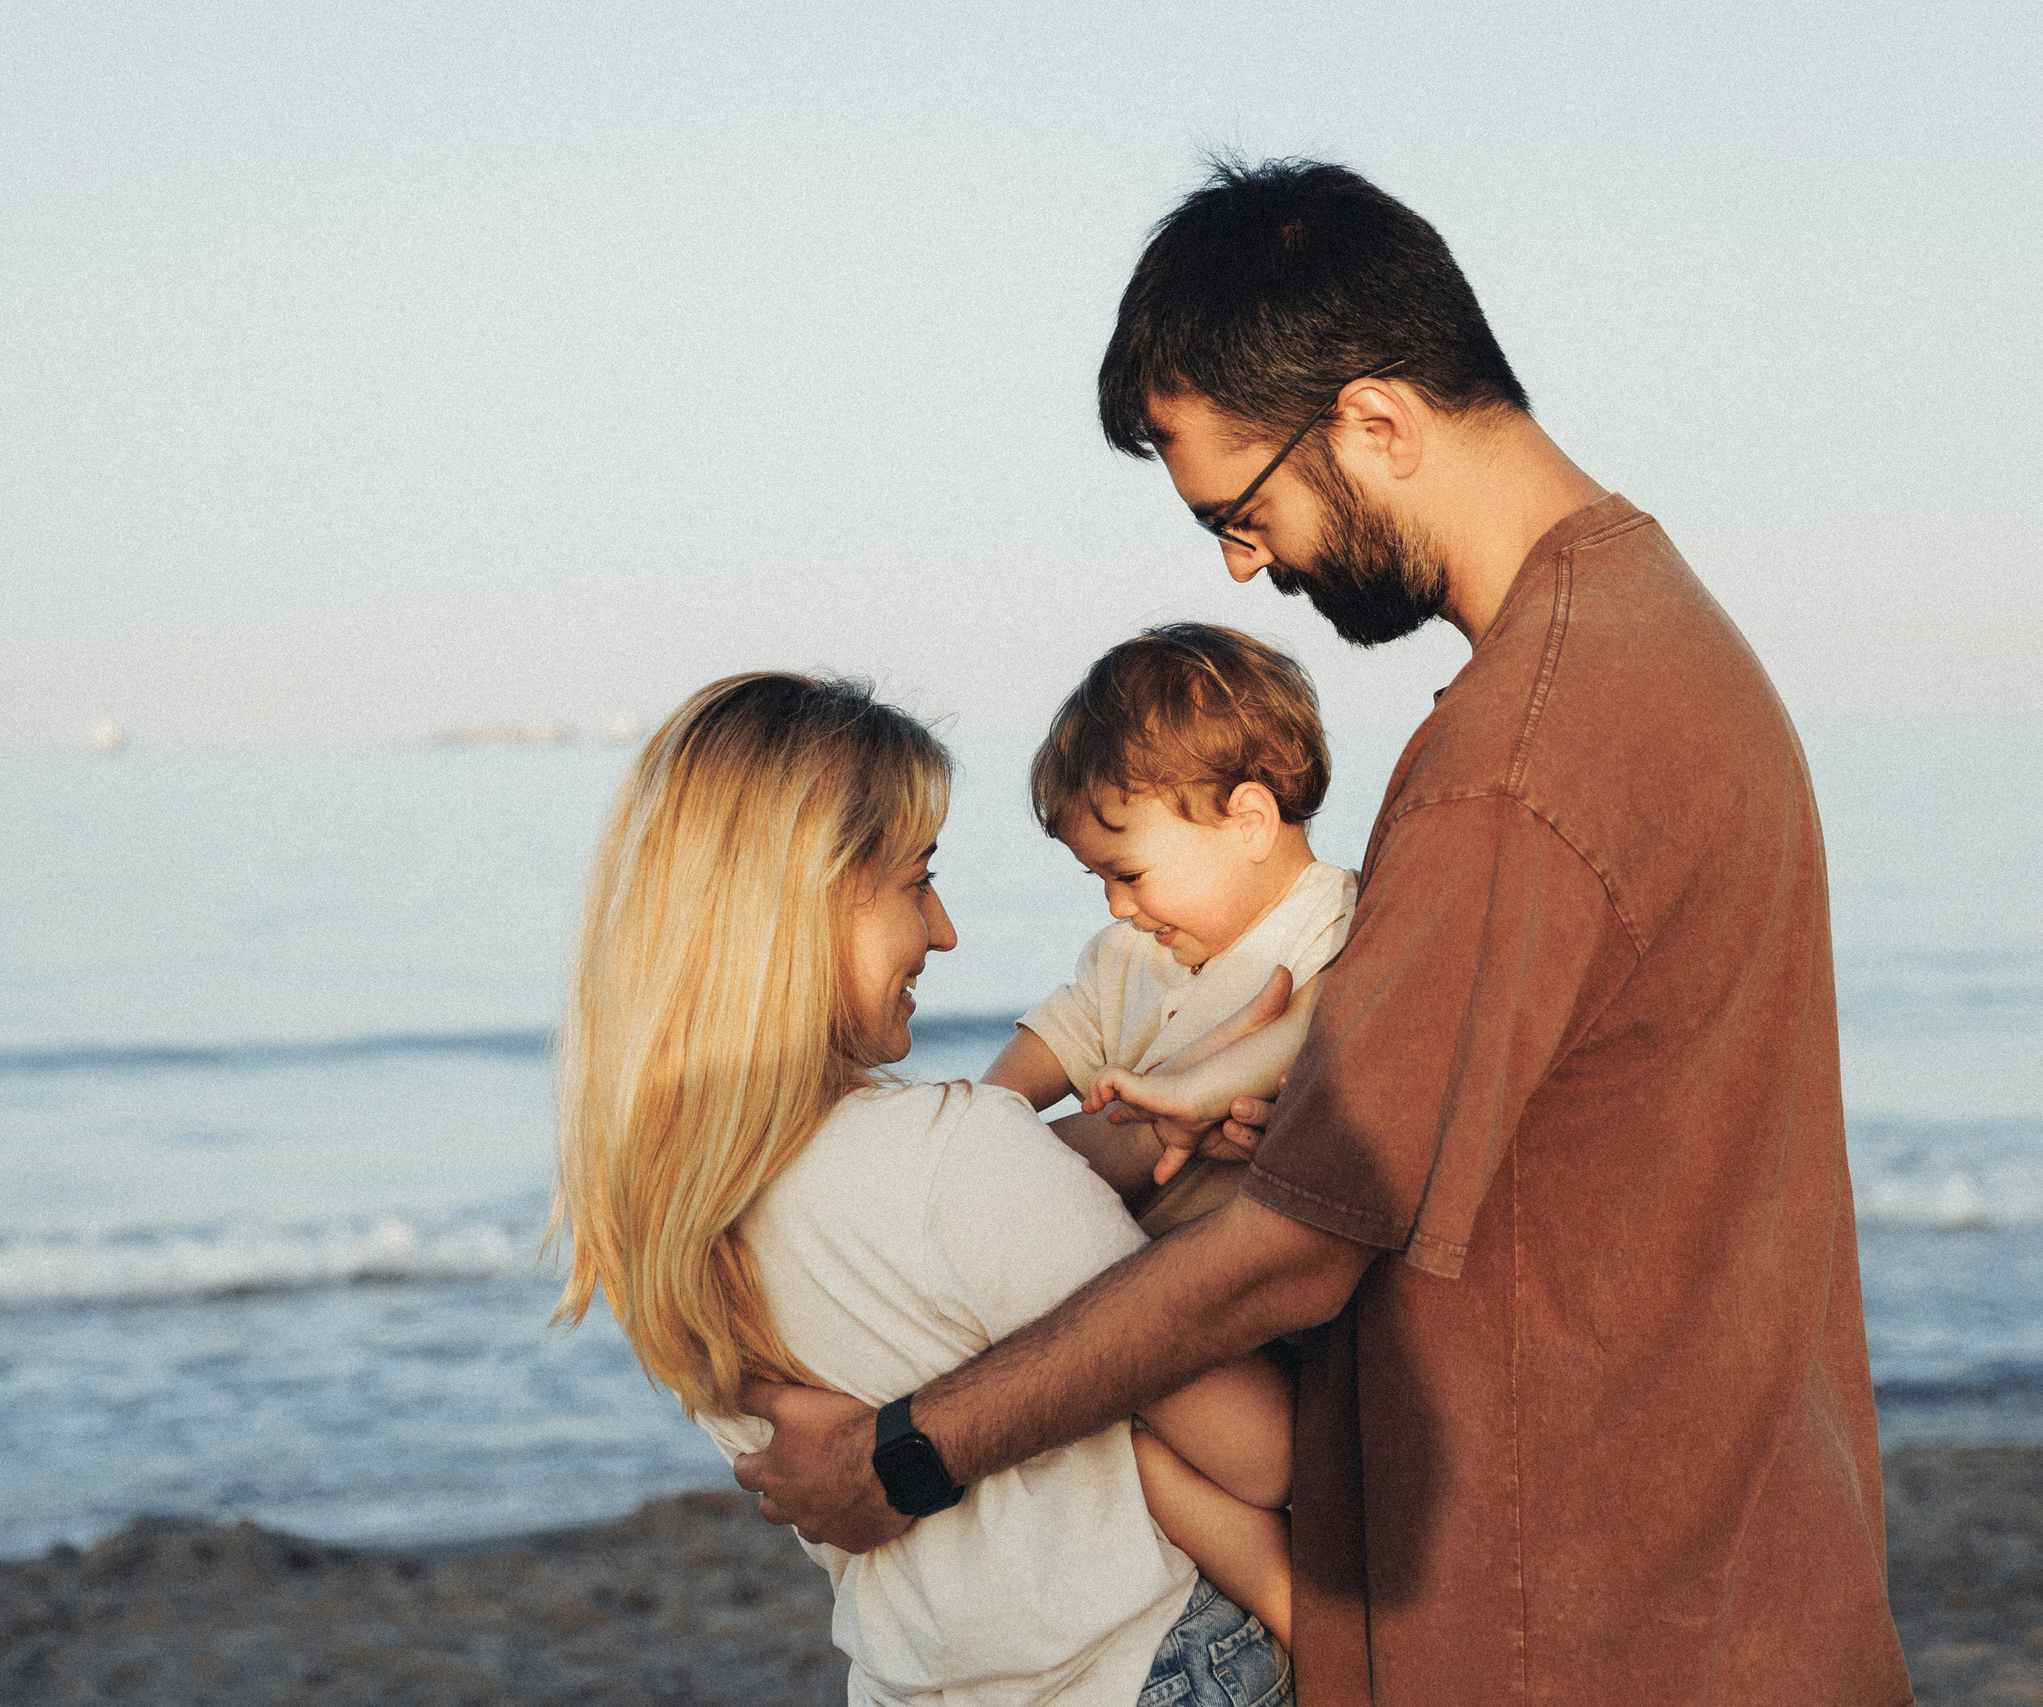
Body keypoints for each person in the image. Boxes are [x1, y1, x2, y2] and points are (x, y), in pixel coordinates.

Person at [733, 159, 1917, 1705]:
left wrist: (908, 1451)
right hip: (1729, 1575)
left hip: (1581, 1626)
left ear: (1374, 421)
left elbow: (1292, 1253)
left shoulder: (1527, 752)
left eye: (1244, 506)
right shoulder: (1651, 638)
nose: (1242, 562)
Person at [550, 671, 1296, 1705]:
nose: (942, 931)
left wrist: (1148, 1122)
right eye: (914, 881)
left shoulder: (654, 1218)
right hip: (1148, 1667)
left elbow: (927, 1239)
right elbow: (1262, 1457)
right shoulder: (955, 1157)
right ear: (803, 901)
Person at [983, 622, 1357, 1239]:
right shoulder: (1126, 954)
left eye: (1127, 874)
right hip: (1119, 1255)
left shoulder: (1336, 919)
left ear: (1249, 823)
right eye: (1097, 878)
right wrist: (983, 1117)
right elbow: (1051, 1046)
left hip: (1245, 1265)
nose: (1116, 906)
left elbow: (1333, 1017)